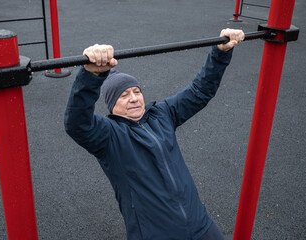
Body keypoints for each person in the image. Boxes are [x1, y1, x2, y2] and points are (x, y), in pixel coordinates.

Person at [64, 28, 245, 240]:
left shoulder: (162, 115)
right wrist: (92, 76)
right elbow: (77, 124)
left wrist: (220, 53)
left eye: (136, 91)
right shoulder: (109, 136)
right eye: (124, 95)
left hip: (199, 224)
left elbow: (200, 91)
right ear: (112, 106)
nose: (133, 98)